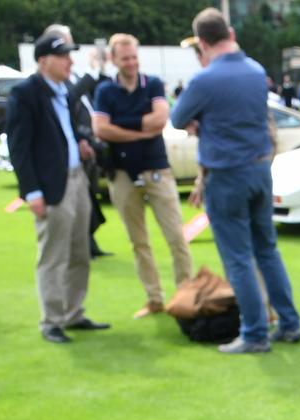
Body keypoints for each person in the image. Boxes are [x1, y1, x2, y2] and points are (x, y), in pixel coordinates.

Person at [171, 8, 300, 354]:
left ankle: (255, 334)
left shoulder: (205, 79)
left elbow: (178, 117)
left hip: (227, 174)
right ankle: (289, 323)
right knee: (267, 251)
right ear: (229, 33)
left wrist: (203, 121)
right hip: (260, 170)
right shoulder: (256, 70)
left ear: (201, 42)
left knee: (239, 259)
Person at [6, 32, 109, 344]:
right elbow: (19, 147)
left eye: (69, 54)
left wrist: (80, 144)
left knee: (80, 250)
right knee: (53, 255)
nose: (69, 60)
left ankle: (73, 312)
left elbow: (64, 130)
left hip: (77, 177)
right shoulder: (25, 93)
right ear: (43, 61)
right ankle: (51, 320)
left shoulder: (63, 90)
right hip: (52, 185)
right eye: (63, 55)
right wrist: (31, 192)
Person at [92, 33, 193, 319]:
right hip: (122, 173)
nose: (132, 63)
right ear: (114, 60)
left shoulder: (154, 84)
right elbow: (101, 128)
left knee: (176, 236)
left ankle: (185, 294)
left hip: (156, 168)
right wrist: (140, 130)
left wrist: (122, 128)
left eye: (134, 57)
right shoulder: (106, 91)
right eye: (125, 58)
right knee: (139, 241)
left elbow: (161, 119)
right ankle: (154, 298)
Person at [42, 24, 110, 259]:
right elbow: (70, 101)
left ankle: (88, 243)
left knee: (88, 198)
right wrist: (91, 73)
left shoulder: (67, 77)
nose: (70, 58)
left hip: (84, 143)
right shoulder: (50, 83)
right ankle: (81, 245)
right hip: (68, 156)